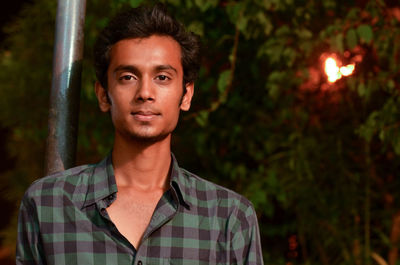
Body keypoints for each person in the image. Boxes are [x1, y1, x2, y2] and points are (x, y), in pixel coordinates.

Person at [16, 4, 263, 265]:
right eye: (128, 77)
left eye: (163, 77)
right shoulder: (48, 205)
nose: (145, 92)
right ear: (103, 95)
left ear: (186, 94)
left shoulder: (229, 218)